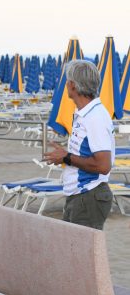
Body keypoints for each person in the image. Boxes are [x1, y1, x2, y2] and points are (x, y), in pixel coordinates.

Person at [43, 60, 114, 230]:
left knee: (81, 255)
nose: (66, 84)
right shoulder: (85, 113)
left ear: (73, 85)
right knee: (72, 253)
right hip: (81, 196)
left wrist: (66, 157)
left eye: (67, 80)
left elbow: (103, 165)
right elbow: (89, 154)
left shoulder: (95, 117)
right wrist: (66, 156)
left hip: (88, 195)